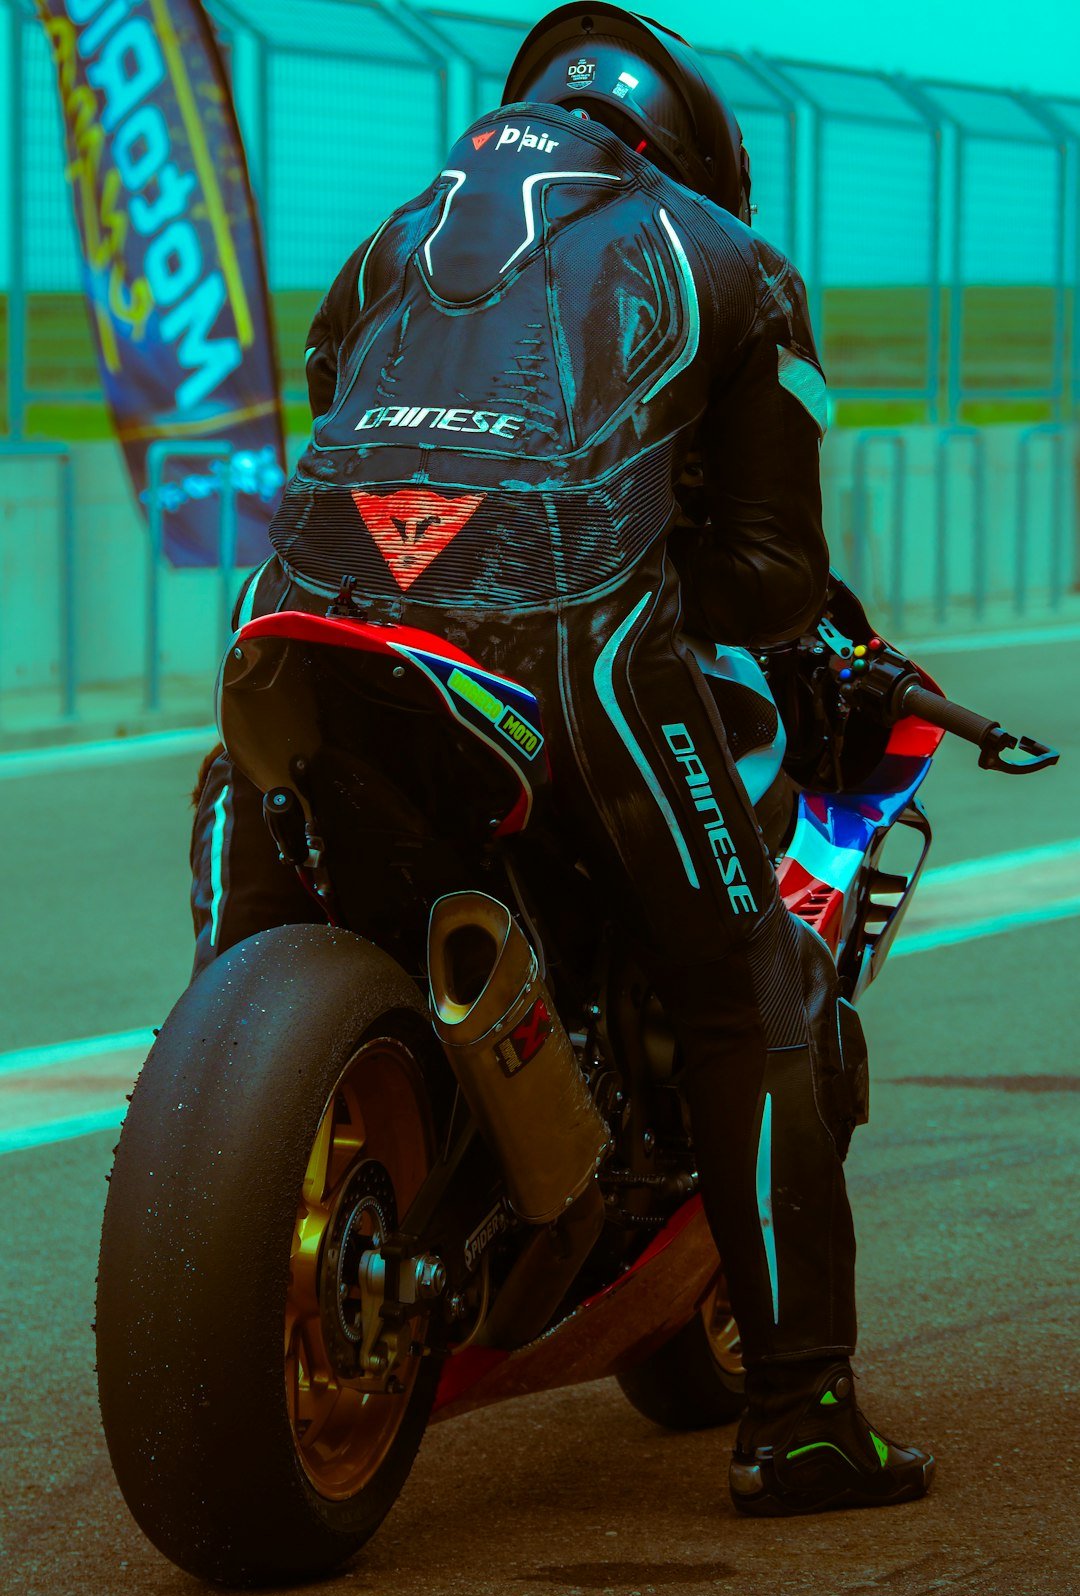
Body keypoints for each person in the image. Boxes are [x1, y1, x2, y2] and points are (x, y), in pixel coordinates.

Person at [191, 3, 933, 1516]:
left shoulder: (397, 237)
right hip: (565, 647)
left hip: (302, 625)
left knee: (246, 928)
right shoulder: (727, 261)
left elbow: (333, 415)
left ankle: (234, 1157)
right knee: (751, 988)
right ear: (686, 147)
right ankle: (802, 1415)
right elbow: (778, 574)